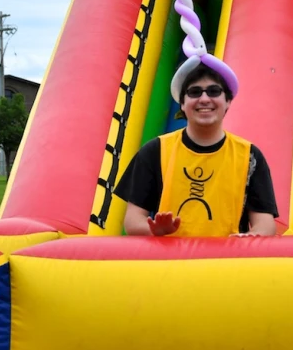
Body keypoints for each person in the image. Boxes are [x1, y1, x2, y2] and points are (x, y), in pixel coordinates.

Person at [114, 64, 278, 237]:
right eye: (195, 92)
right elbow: (132, 221)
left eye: (214, 91)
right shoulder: (155, 151)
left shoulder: (250, 156)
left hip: (226, 261)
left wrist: (250, 238)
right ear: (182, 104)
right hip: (170, 261)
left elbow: (265, 224)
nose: (205, 99)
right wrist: (156, 231)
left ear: (228, 101)